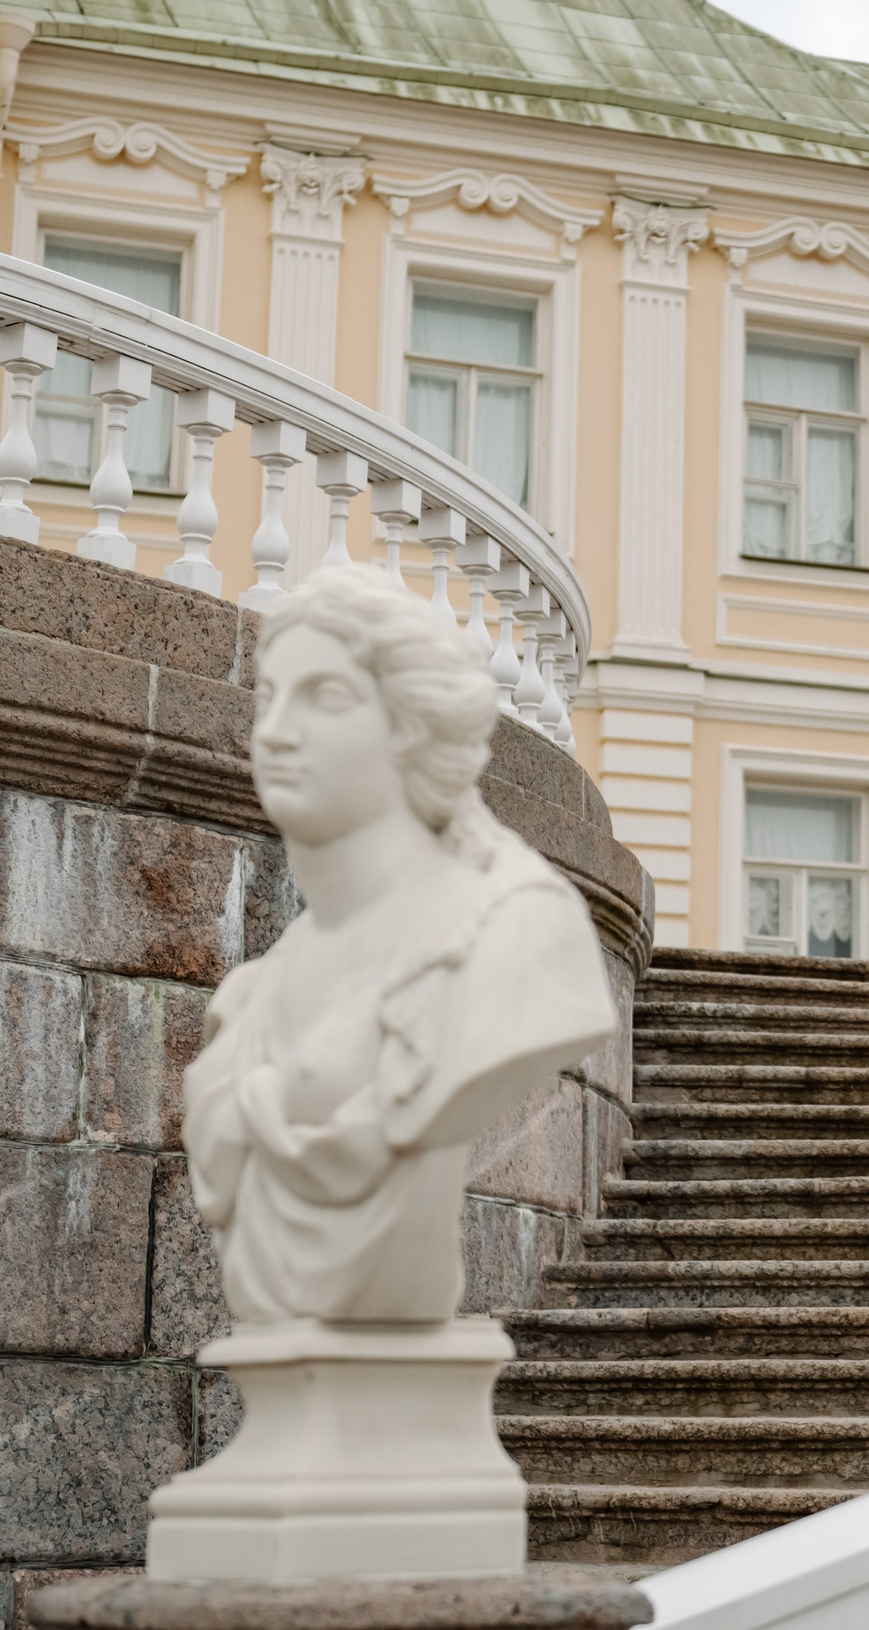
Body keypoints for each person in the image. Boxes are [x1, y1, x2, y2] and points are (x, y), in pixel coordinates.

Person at [181, 566, 616, 1326]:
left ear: (411, 725)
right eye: (269, 695)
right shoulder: (254, 995)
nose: (276, 730)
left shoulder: (514, 933)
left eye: (325, 697)